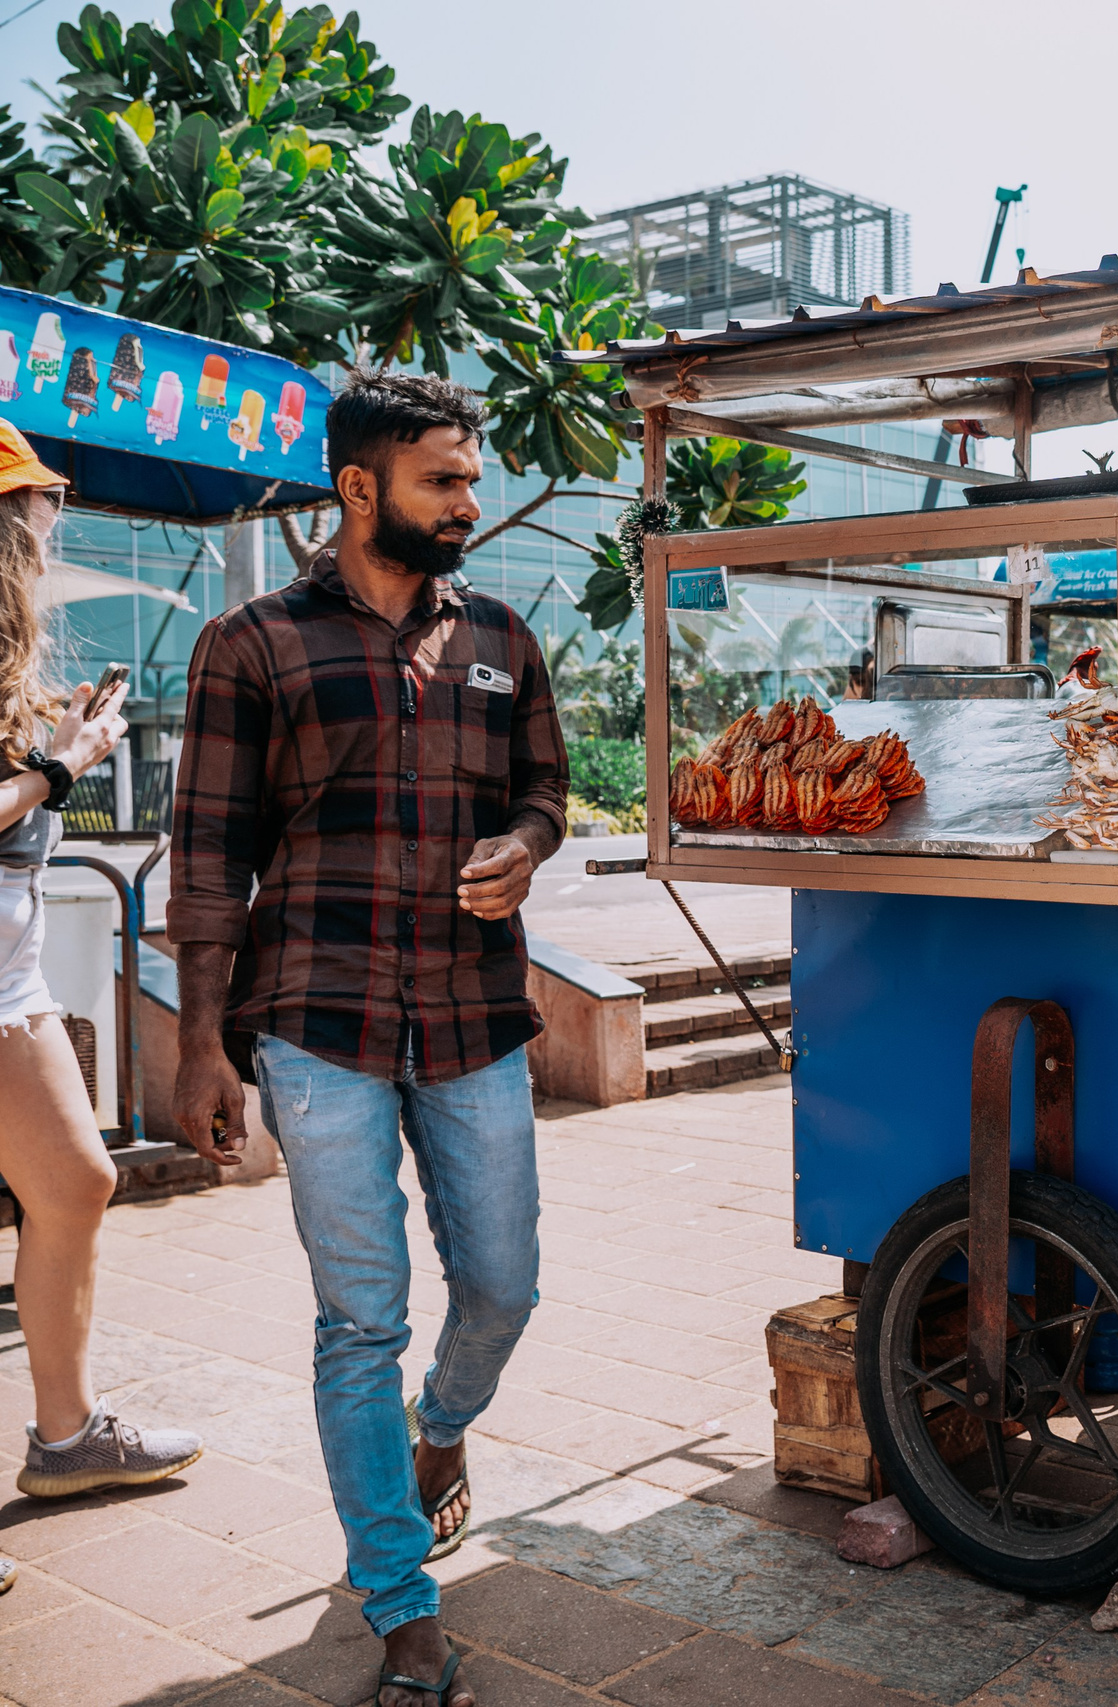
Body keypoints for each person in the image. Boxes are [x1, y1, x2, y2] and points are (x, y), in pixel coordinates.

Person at [169, 373, 567, 1707]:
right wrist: (199, 1047)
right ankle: (402, 1608)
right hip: (315, 1019)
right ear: (359, 487)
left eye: (471, 476)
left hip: (473, 1015)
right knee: (361, 1319)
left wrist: (522, 842)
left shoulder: (504, 635)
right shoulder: (252, 642)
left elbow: (546, 788)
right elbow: (210, 854)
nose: (471, 502)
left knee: (503, 1283)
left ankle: (439, 1431)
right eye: (444, 479)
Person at [0, 422, 204, 1598]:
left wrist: (55, 746)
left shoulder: (8, 651)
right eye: (38, 499)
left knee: (77, 1182)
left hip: (10, 981)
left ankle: (67, 1439)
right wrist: (62, 769)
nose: (55, 516)